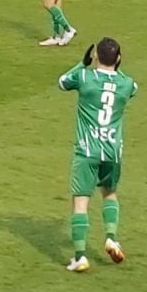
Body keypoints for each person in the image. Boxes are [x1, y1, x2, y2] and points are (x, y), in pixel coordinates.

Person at [57, 37, 137, 273]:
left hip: (87, 150)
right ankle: (111, 237)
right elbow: (126, 85)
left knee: (80, 202)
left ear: (96, 57)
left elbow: (62, 82)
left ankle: (80, 257)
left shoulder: (84, 77)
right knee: (110, 193)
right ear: (119, 59)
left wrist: (82, 64)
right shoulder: (128, 84)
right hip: (112, 151)